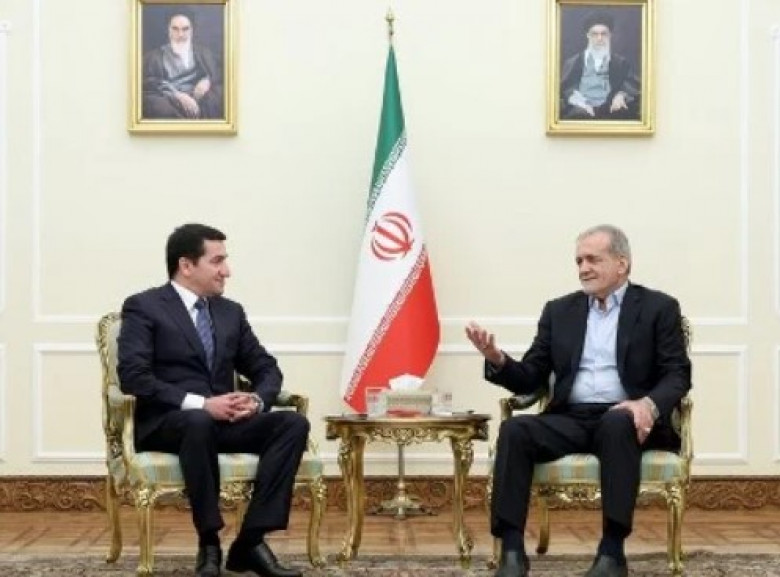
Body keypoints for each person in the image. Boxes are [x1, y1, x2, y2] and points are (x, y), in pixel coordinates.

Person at [465, 225, 691, 577]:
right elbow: (531, 377)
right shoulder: (559, 311)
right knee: (515, 430)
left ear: (622, 264)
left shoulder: (658, 307)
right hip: (570, 417)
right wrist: (498, 360)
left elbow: (677, 374)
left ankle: (612, 554)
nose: (583, 268)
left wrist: (646, 404)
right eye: (579, 261)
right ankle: (511, 553)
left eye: (592, 259)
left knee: (617, 421)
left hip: (627, 418)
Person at [118, 223, 308, 577]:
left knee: (292, 424)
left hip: (223, 423)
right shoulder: (144, 306)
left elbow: (266, 367)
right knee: (198, 420)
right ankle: (209, 542)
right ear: (186, 265)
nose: (227, 271)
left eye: (225, 260)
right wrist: (201, 404)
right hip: (170, 423)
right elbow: (134, 377)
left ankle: (250, 541)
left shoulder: (229, 312)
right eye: (217, 261)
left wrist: (256, 400)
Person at [142, 10, 224, 119]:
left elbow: (218, 72)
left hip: (200, 98)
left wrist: (207, 81)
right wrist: (177, 95)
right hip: (170, 100)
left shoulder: (203, 53)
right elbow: (150, 82)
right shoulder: (154, 57)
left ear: (192, 30)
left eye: (185, 29)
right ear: (168, 30)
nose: (180, 35)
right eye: (175, 29)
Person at [559, 11, 640, 120]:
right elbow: (566, 88)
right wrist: (580, 103)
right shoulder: (574, 62)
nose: (599, 38)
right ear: (588, 35)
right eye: (595, 34)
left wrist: (621, 95)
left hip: (610, 108)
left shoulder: (620, 62)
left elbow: (631, 84)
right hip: (581, 108)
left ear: (610, 35)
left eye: (604, 34)